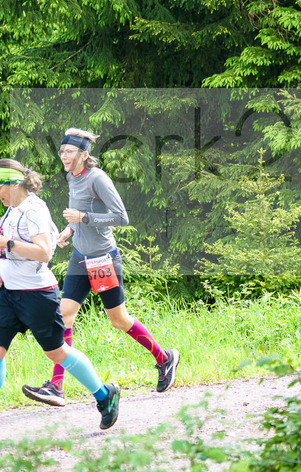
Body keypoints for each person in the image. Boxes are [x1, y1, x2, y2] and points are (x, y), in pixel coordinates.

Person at [22, 128, 180, 407]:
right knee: (64, 315)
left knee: (118, 320)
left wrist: (83, 218)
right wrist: (68, 231)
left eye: (69, 152)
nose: (64, 156)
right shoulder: (73, 177)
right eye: (61, 152)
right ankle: (56, 386)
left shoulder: (97, 178)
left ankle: (164, 358)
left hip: (102, 260)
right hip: (80, 257)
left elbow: (121, 217)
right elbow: (77, 216)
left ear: (84, 153)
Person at [0, 159, 120, 429]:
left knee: (57, 353)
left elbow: (44, 252)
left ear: (11, 183)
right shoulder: (10, 211)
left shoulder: (33, 210)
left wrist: (7, 243)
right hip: (8, 294)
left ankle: (104, 395)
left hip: (37, 295)